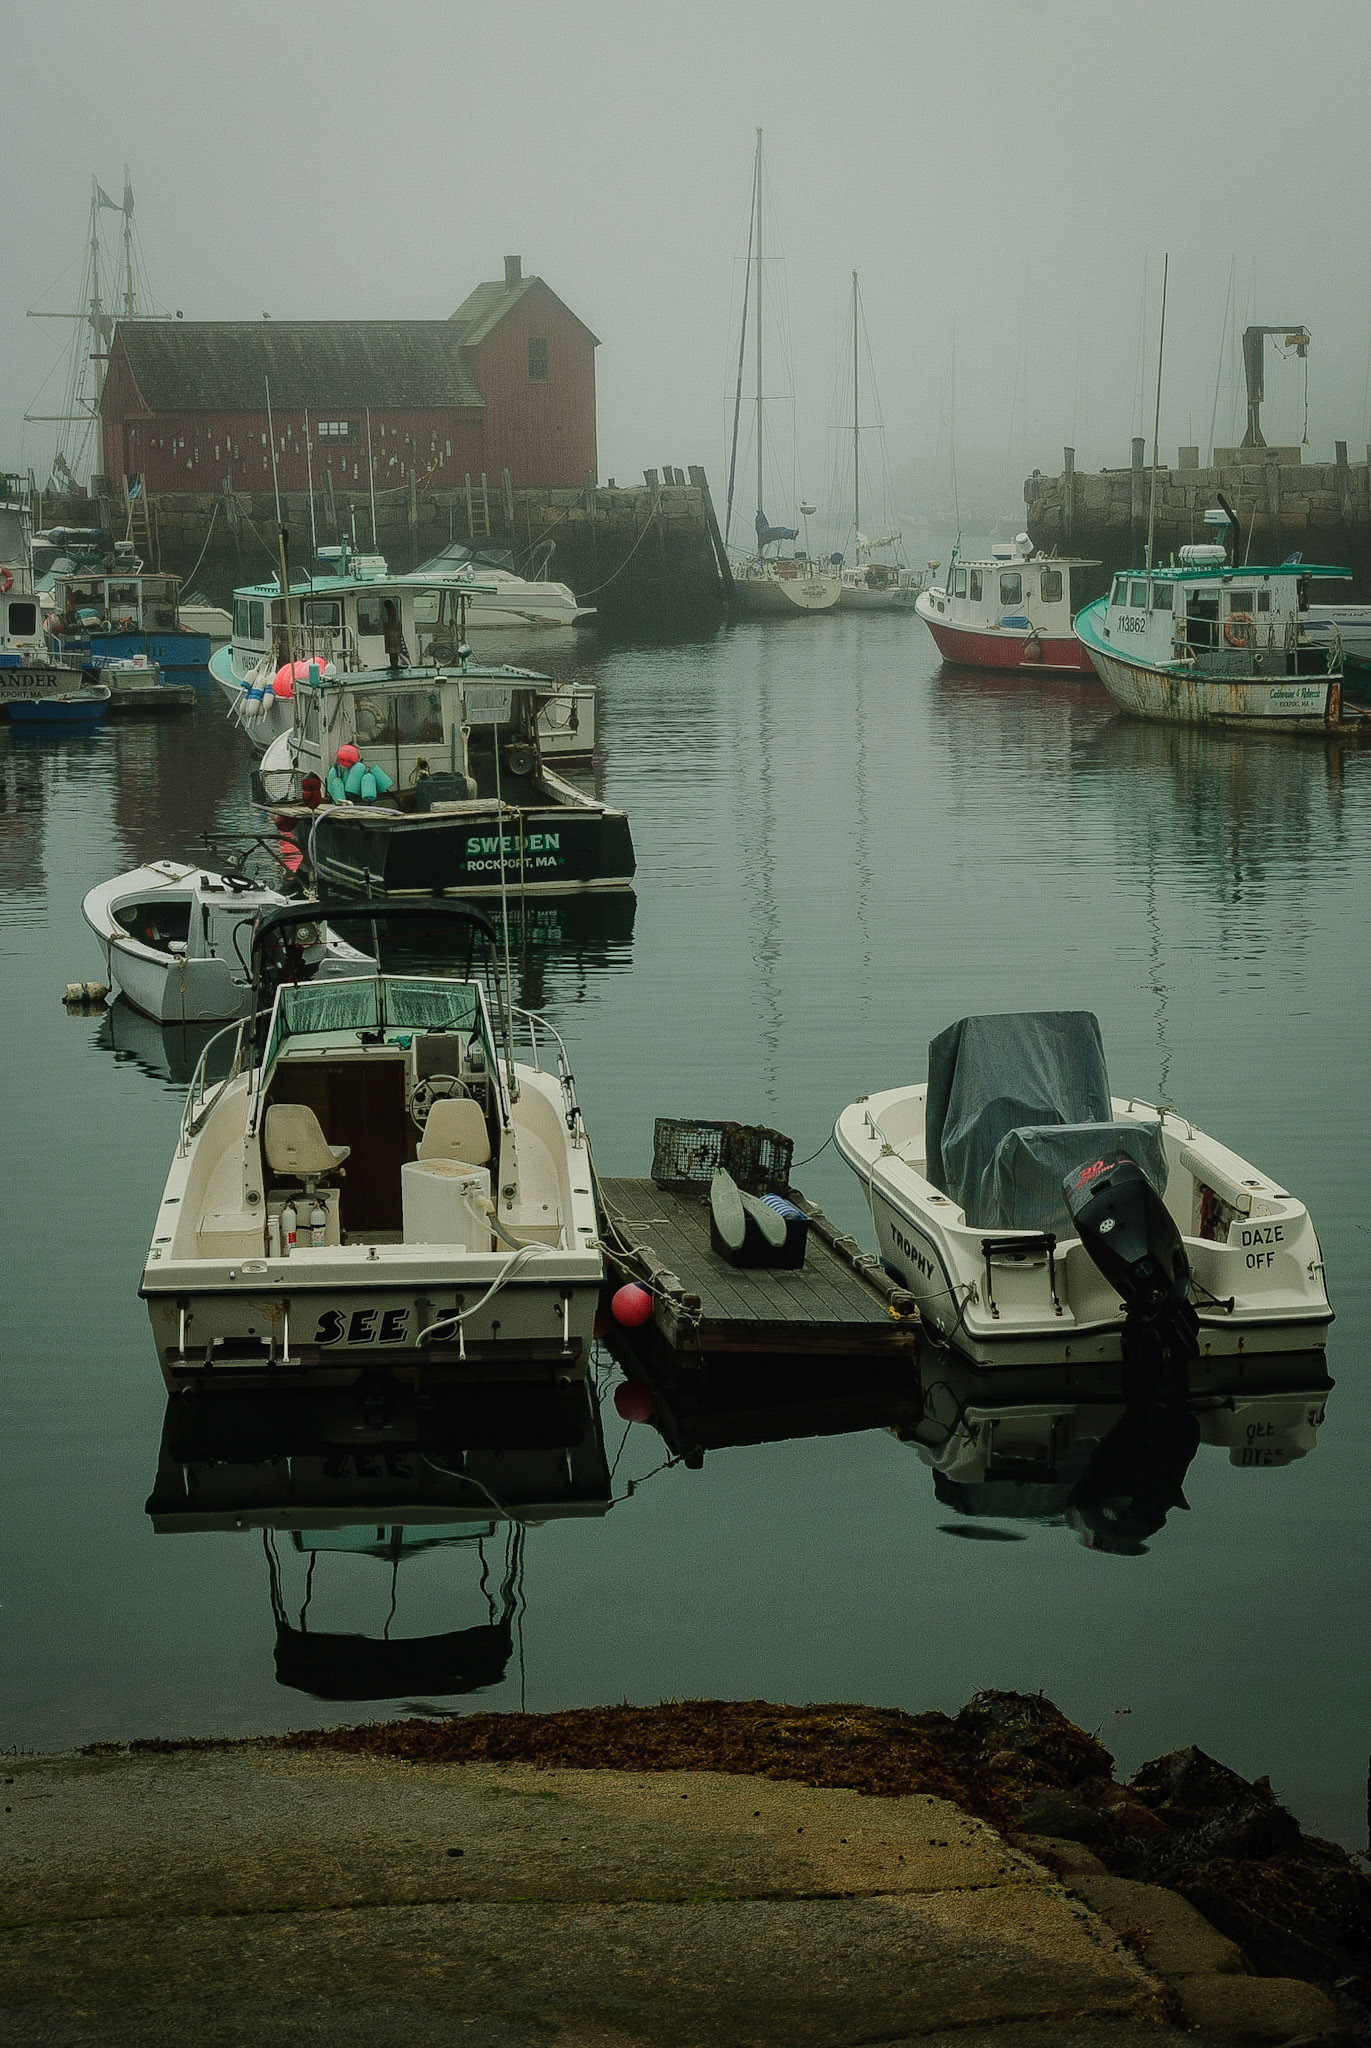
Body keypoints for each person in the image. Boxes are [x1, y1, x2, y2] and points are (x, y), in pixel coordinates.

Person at [326, 742, 395, 805]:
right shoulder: (337, 770)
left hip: (346, 800)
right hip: (352, 799)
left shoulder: (336, 770)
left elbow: (330, 790)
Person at [382, 598, 406, 673]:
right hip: (393, 631)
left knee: (393, 651)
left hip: (393, 631)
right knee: (393, 651)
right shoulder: (392, 615)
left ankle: (394, 664)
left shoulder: (392, 617)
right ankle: (394, 664)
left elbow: (392, 617)